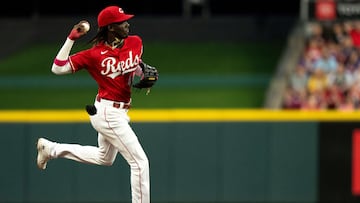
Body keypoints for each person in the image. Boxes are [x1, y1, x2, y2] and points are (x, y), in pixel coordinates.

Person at [36, 5, 154, 203]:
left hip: (119, 111)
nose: (127, 24)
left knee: (104, 158)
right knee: (140, 162)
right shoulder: (93, 55)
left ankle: (51, 149)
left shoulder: (134, 42)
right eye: (121, 22)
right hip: (108, 113)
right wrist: (71, 39)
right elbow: (58, 68)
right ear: (110, 28)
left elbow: (132, 66)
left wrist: (143, 73)